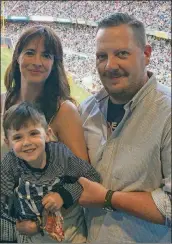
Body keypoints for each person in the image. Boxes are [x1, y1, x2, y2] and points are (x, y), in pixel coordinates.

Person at [78, 13, 171, 243]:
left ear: (147, 54)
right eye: (102, 56)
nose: (110, 65)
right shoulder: (86, 110)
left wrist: (108, 198)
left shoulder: (167, 112)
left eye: (122, 54)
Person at [0, 25, 89, 243]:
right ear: (17, 56)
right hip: (13, 226)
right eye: (30, 52)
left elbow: (82, 177)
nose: (37, 62)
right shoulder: (2, 102)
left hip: (57, 232)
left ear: (54, 64)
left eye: (46, 55)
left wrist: (41, 222)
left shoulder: (63, 111)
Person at [1, 102, 101, 243]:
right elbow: (4, 199)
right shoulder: (10, 163)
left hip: (70, 230)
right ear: (8, 143)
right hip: (33, 235)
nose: (26, 142)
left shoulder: (60, 155)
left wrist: (63, 195)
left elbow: (92, 177)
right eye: (18, 137)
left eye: (33, 133)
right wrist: (19, 220)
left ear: (47, 134)